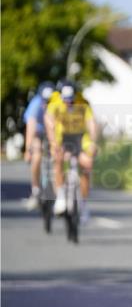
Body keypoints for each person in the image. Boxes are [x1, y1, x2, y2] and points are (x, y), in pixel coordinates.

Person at [45, 81, 98, 224]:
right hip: (62, 136)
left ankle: (84, 205)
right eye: (65, 100)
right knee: (58, 158)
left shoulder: (83, 103)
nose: (68, 103)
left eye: (71, 100)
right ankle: (61, 196)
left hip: (80, 137)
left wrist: (93, 142)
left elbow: (91, 123)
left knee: (87, 164)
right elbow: (49, 121)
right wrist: (52, 142)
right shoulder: (55, 102)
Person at [22, 81, 56, 210]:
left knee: (55, 155)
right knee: (37, 155)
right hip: (38, 132)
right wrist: (28, 150)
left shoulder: (57, 104)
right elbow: (30, 127)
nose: (46, 103)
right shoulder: (36, 104)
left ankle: (56, 188)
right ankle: (35, 190)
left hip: (52, 132)